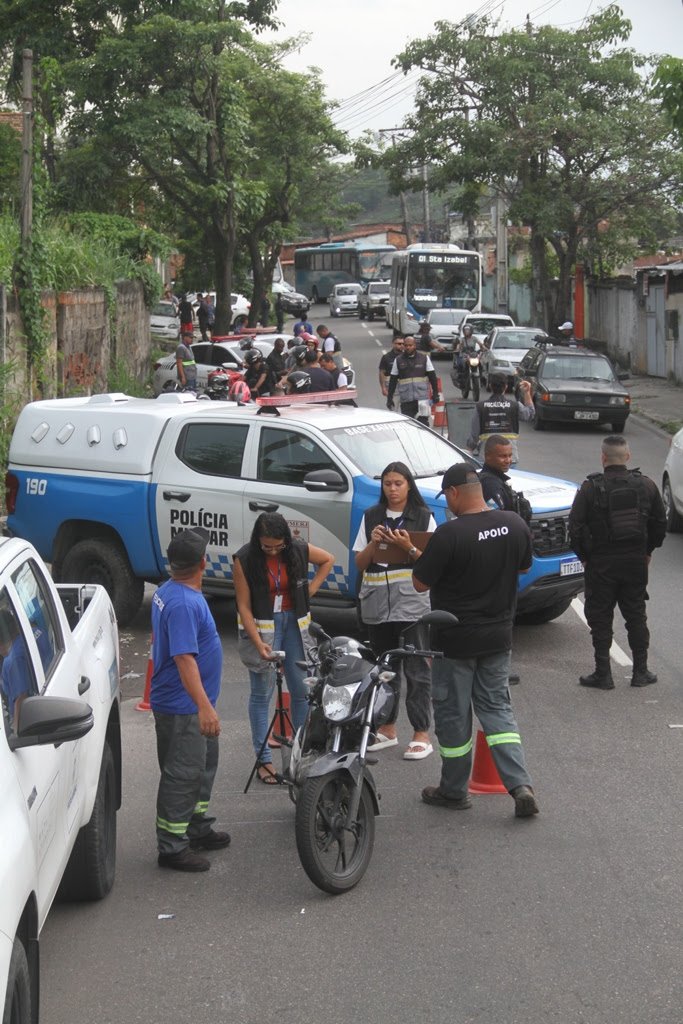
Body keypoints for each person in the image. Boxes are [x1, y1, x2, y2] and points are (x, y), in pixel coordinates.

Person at [412, 464, 539, 817]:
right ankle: (520, 786)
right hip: (498, 636)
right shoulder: (514, 524)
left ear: (453, 493)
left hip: (454, 642)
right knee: (497, 710)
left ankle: (454, 791)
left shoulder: (449, 534)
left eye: (446, 497)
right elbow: (524, 568)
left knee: (453, 716)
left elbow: (420, 583)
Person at [233, 514, 334, 784]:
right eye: (267, 546)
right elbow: (243, 606)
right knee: (262, 693)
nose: (273, 551)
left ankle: (299, 757)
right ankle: (263, 760)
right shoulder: (244, 558)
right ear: (258, 541)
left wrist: (310, 590)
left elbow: (328, 559)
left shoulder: (297, 549)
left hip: (295, 626)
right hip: (263, 629)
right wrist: (258, 643)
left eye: (278, 546)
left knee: (302, 691)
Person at [151, 527, 230, 872]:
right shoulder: (183, 603)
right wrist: (204, 707)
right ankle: (172, 847)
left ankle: (196, 827)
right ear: (203, 562)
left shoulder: (169, 589)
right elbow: (184, 659)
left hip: (189, 705)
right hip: (184, 707)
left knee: (202, 767)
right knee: (182, 775)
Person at [568, 435, 666, 690]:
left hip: (601, 564)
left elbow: (574, 530)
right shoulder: (647, 485)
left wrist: (585, 559)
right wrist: (647, 551)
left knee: (600, 618)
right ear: (628, 457)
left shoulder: (589, 489)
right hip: (635, 562)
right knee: (636, 615)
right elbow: (660, 524)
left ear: (603, 458)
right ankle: (640, 672)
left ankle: (603, 674)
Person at [354, 463, 437, 759]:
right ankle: (387, 728)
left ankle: (421, 733)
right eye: (387, 483)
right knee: (385, 669)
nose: (392, 489)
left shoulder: (423, 517)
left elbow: (432, 563)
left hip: (412, 604)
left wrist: (409, 546)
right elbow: (359, 563)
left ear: (409, 485)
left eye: (398, 483)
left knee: (416, 668)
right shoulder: (371, 516)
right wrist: (374, 543)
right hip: (377, 603)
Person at [468, 372, 534, 463]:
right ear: (506, 387)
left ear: (490, 386)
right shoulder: (515, 406)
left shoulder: (480, 407)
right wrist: (527, 392)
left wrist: (469, 450)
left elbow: (474, 436)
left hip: (487, 459)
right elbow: (530, 414)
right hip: (509, 459)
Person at [386, 334, 439, 425]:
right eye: (406, 345)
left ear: (415, 345)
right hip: (406, 399)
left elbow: (433, 377)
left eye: (410, 345)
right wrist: (389, 398)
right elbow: (393, 381)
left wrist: (435, 393)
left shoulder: (424, 358)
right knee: (409, 425)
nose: (408, 347)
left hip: (422, 399)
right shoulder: (398, 360)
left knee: (423, 424)